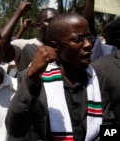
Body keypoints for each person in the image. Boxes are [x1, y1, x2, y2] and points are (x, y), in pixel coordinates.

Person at [6, 13, 105, 141]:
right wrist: (32, 78)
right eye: (78, 39)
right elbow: (16, 129)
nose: (88, 45)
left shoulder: (99, 77)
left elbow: (111, 128)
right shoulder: (33, 79)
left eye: (89, 37)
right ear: (55, 46)